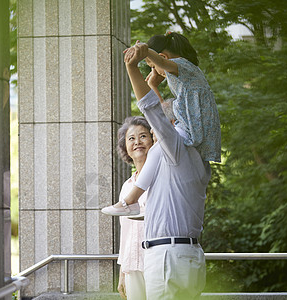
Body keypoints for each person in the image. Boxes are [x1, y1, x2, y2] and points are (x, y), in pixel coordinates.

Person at [121, 38, 210, 299]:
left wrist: (133, 67)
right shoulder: (199, 154)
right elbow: (162, 113)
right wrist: (152, 82)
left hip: (168, 258)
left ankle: (128, 200)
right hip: (189, 255)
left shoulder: (175, 148)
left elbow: (152, 110)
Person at [102, 32, 220, 216]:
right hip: (188, 130)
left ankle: (131, 200)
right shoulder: (183, 80)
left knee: (157, 149)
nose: (154, 71)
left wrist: (146, 52)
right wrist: (153, 86)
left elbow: (163, 65)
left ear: (162, 57)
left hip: (190, 131)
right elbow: (161, 115)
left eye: (152, 66)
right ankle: (141, 203)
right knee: (160, 144)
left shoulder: (184, 66)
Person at [116, 116, 154, 300]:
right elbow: (126, 232)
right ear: (125, 147)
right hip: (132, 267)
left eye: (143, 136)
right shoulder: (126, 186)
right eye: (131, 138)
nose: (137, 142)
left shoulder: (162, 177)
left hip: (157, 261)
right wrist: (123, 272)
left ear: (153, 140)